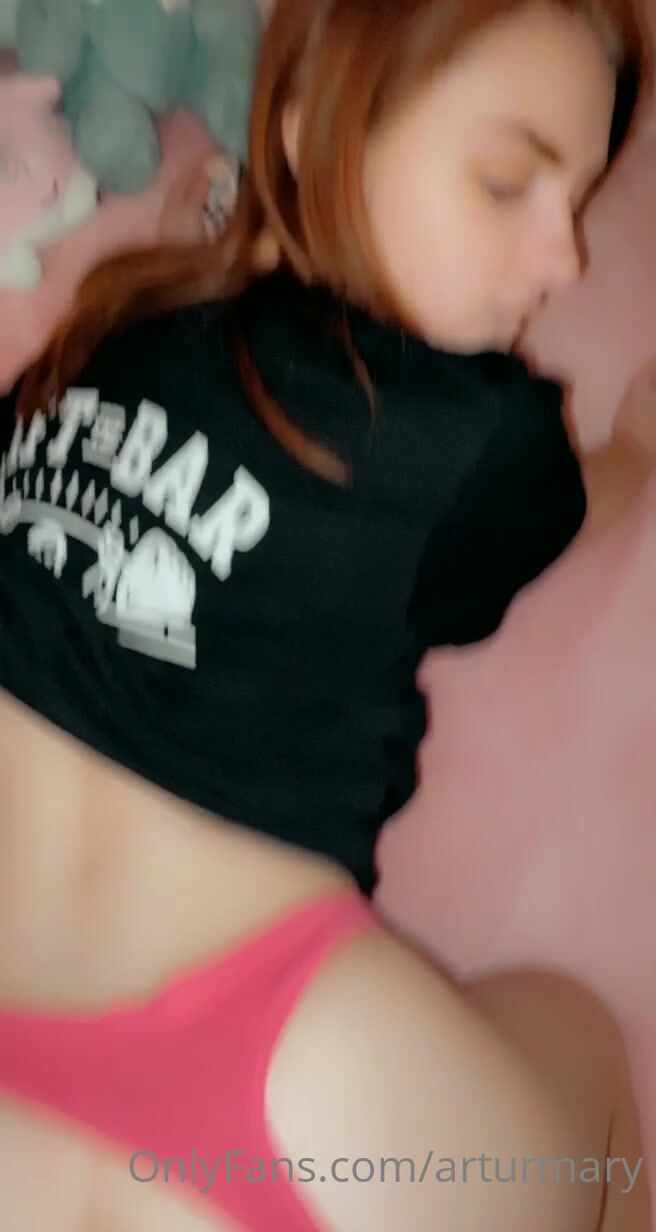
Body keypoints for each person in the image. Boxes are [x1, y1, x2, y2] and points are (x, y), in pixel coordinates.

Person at [0, 1, 653, 1229]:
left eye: (574, 203)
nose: (563, 260)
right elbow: (550, 530)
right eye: (505, 182)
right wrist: (632, 445)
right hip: (281, 1059)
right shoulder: (470, 425)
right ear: (310, 135)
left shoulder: (117, 324)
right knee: (575, 1040)